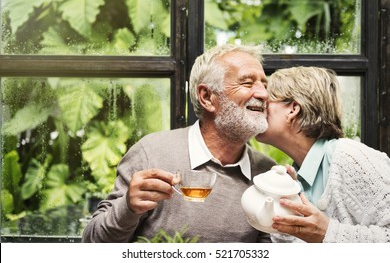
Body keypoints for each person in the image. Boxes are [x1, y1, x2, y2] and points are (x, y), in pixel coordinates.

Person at [82, 44, 277, 243]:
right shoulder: (151, 153)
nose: (263, 94)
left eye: (264, 84)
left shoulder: (269, 174)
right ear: (207, 97)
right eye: (247, 83)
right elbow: (92, 244)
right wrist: (128, 209)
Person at [256, 66, 390, 243]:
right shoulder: (296, 178)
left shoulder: (349, 157)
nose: (259, 108)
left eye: (267, 101)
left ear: (293, 109)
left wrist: (327, 233)